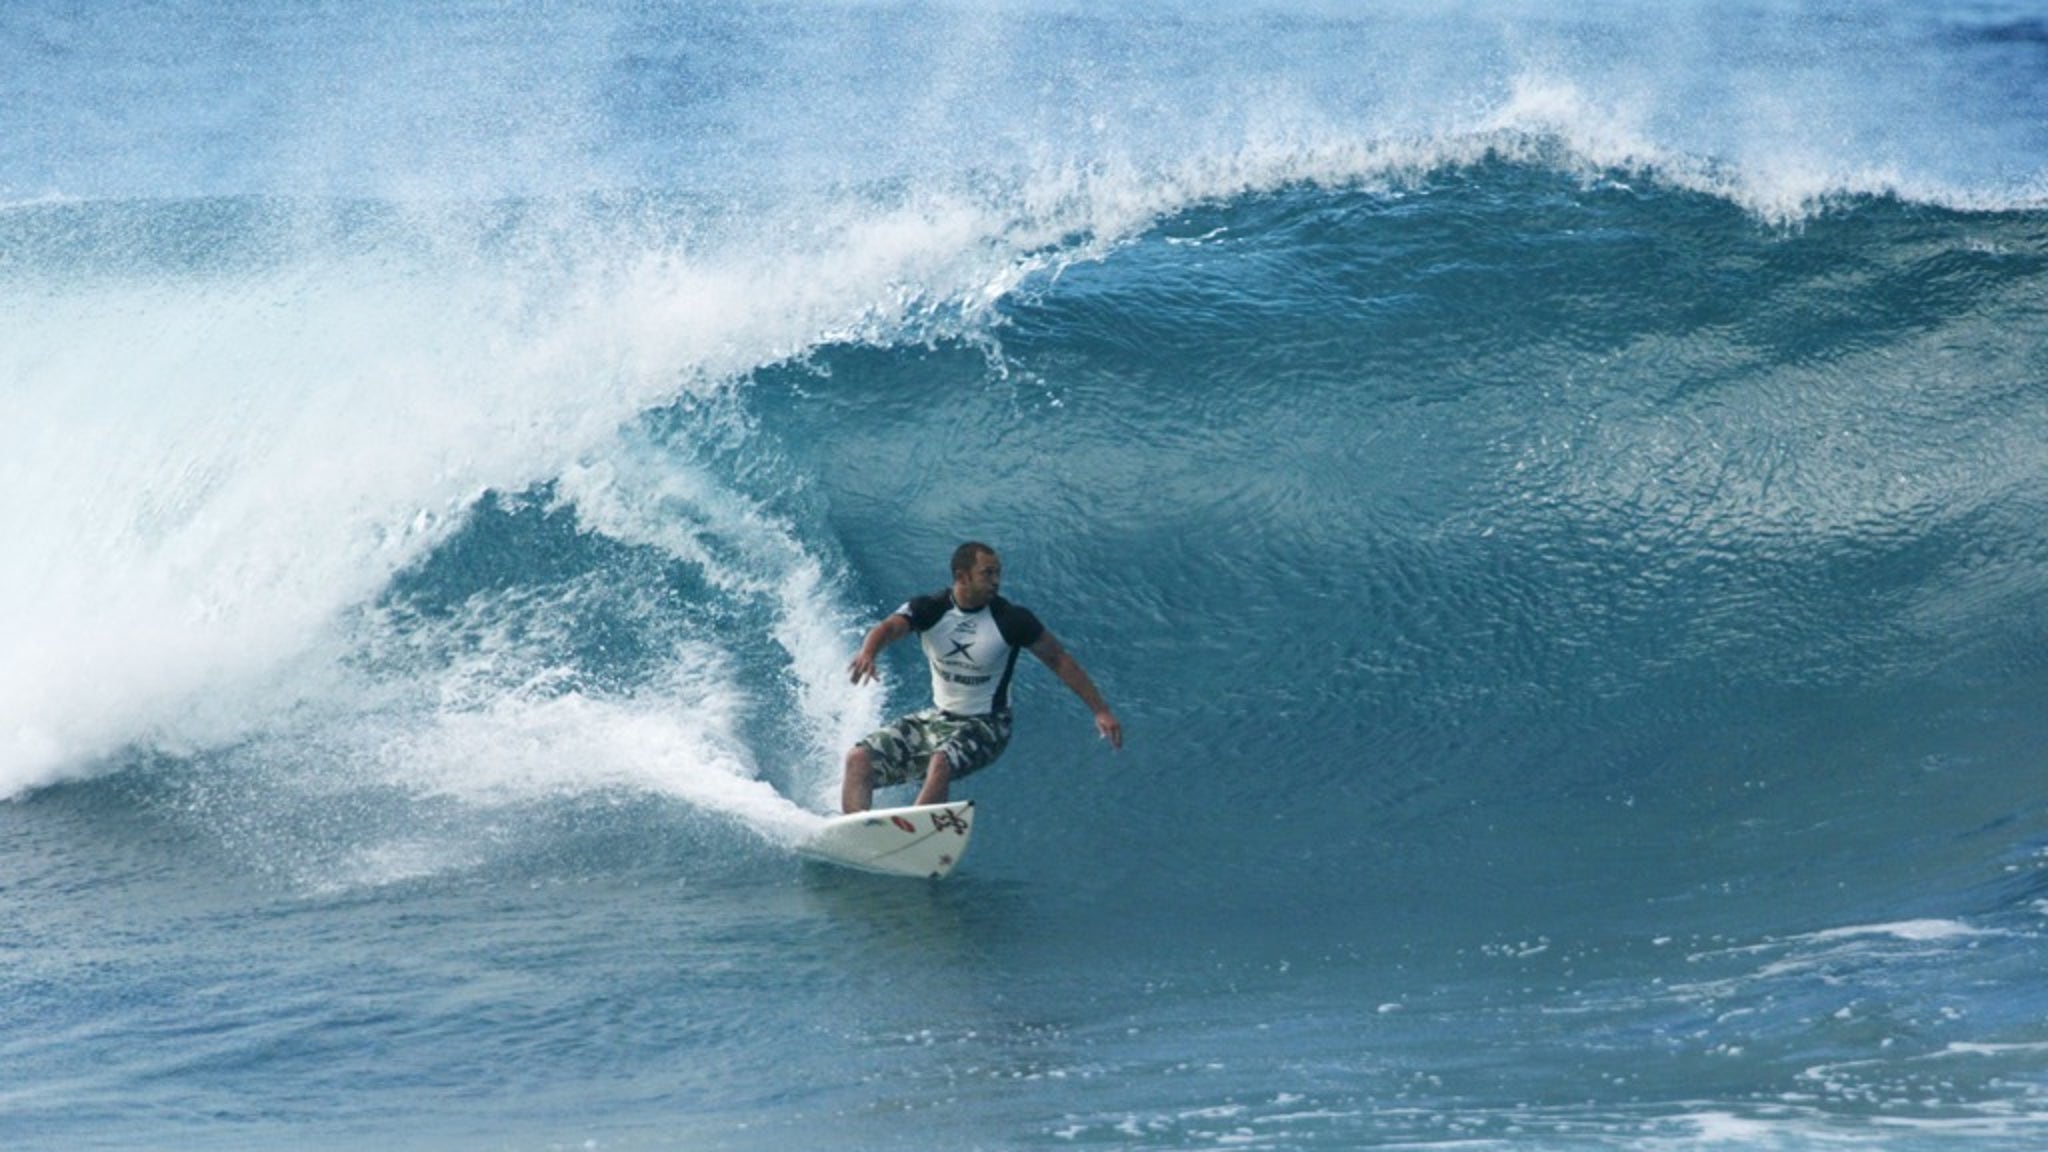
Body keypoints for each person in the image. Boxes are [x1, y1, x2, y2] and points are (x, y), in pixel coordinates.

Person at [841, 541, 1123, 813]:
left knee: (941, 761)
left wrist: (1101, 710)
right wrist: (869, 653)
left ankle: (910, 836)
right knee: (859, 759)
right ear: (961, 576)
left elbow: (1059, 659)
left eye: (998, 573)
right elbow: (889, 628)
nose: (996, 580)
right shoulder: (930, 609)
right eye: (988, 573)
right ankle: (857, 836)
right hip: (939, 719)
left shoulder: (1011, 620)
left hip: (989, 724)